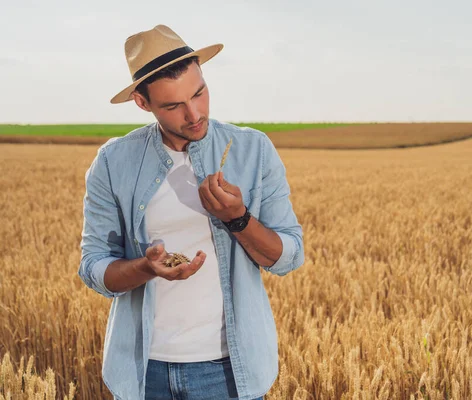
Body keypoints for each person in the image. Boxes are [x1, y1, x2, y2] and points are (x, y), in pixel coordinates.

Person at [78, 24, 305, 400]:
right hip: (141, 372)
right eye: (173, 105)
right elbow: (94, 267)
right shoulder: (112, 162)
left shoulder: (254, 150)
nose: (194, 113)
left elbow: (288, 257)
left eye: (199, 93)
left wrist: (238, 219)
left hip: (230, 372)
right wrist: (145, 268)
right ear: (142, 102)